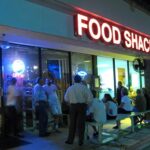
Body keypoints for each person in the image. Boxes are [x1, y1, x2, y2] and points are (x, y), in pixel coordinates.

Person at [64, 75, 93, 146]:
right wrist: (86, 104)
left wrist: (70, 104)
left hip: (73, 106)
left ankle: (70, 140)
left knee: (72, 124)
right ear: (80, 80)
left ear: (74, 80)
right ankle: (81, 141)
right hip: (82, 106)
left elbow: (66, 99)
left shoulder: (70, 88)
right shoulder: (84, 88)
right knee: (81, 124)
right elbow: (90, 98)